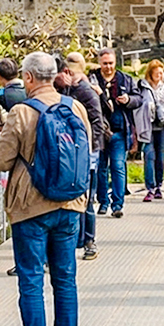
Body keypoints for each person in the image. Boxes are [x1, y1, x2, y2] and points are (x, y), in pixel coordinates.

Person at [0, 52, 92, 326]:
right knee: (65, 280)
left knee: (32, 280)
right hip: (70, 203)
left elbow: (0, 160)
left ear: (30, 78)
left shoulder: (20, 112)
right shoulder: (75, 107)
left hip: (31, 207)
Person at [52, 70, 106, 259]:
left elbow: (98, 124)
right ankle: (72, 242)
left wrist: (88, 149)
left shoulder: (85, 93)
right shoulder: (58, 90)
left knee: (87, 200)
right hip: (66, 155)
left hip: (86, 154)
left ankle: (89, 241)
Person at [90, 48, 142, 218]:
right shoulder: (93, 80)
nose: (108, 67)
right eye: (105, 64)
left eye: (111, 63)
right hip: (99, 131)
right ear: (100, 63)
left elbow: (138, 98)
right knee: (101, 167)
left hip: (120, 130)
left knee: (118, 166)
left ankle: (117, 204)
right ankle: (103, 201)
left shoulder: (125, 79)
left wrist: (128, 100)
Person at [139, 59, 164, 202]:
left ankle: (159, 185)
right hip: (148, 125)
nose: (160, 75)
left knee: (161, 157)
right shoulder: (142, 86)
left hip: (163, 125)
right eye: (156, 72)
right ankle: (150, 187)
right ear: (150, 73)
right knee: (149, 156)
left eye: (161, 72)